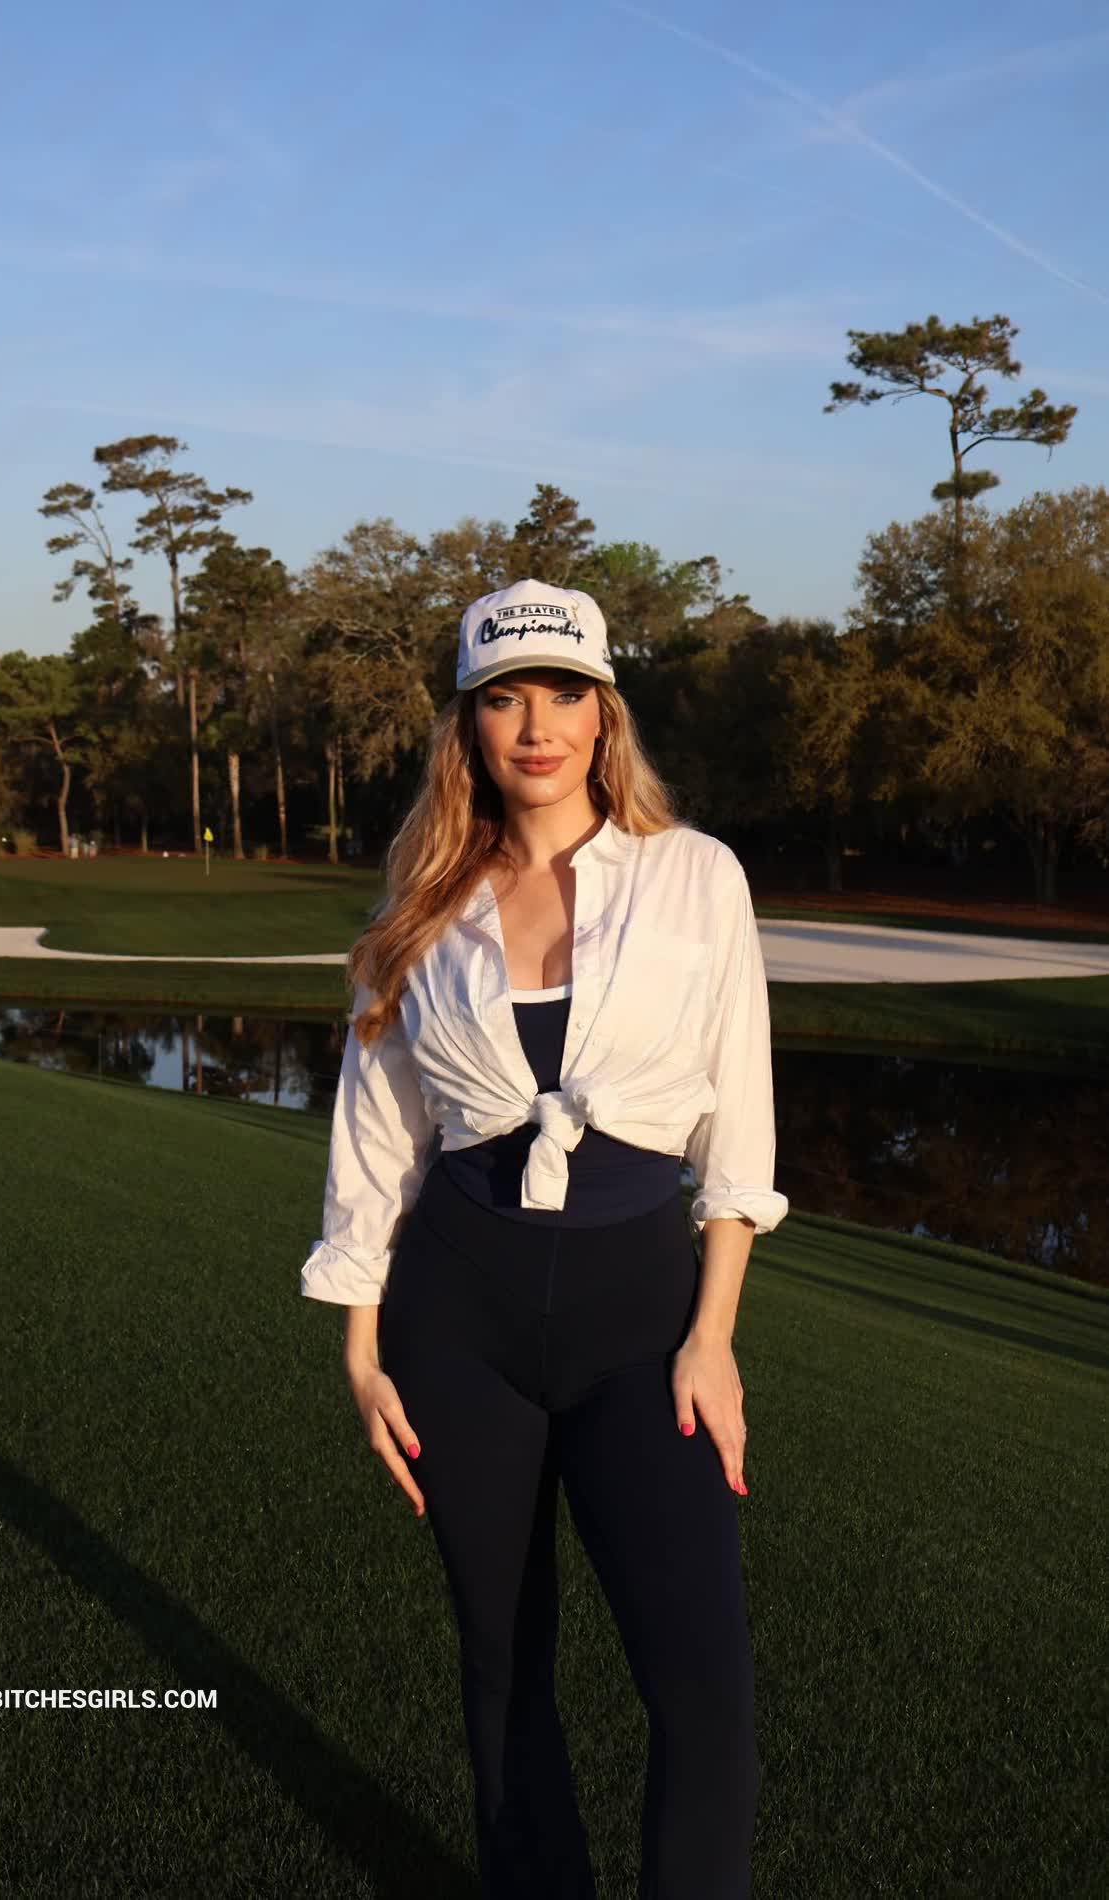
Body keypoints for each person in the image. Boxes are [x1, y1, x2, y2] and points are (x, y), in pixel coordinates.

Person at [300, 577, 789, 1898]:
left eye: (562, 693)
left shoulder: (695, 878)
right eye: (503, 698)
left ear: (603, 711)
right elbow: (376, 1143)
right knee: (504, 1671)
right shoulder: (424, 901)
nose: (536, 726)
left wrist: (713, 1338)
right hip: (458, 1323)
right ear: (467, 723)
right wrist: (361, 1353)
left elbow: (738, 1130)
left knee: (704, 1693)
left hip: (645, 1324)